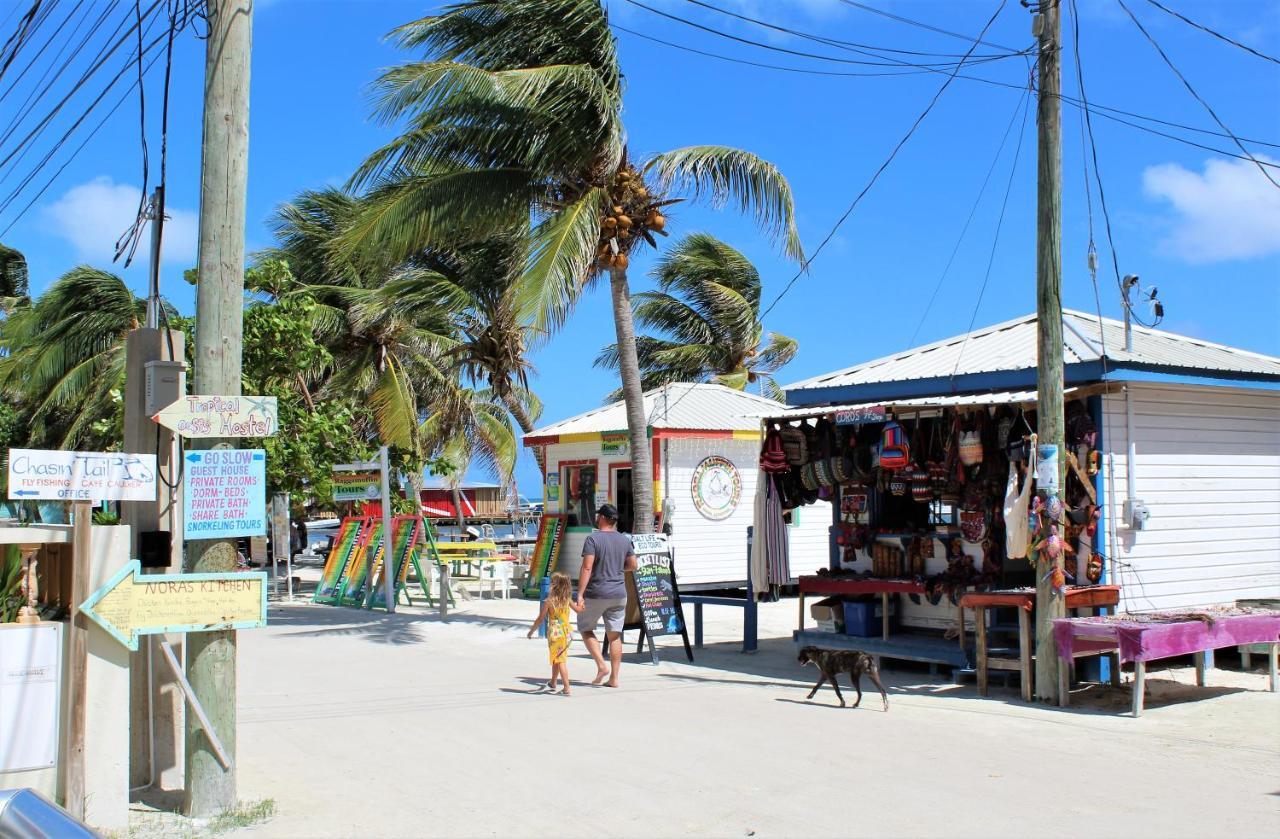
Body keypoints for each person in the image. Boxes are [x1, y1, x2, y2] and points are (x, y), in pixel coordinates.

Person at [575, 504, 636, 688]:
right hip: (618, 593)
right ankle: (614, 678)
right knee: (615, 636)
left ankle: (602, 666)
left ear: (602, 517)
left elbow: (587, 567)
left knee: (585, 629)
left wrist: (579, 593)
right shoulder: (624, 540)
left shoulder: (593, 539)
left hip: (597, 592)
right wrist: (618, 568)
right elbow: (633, 565)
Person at [527, 572, 581, 695]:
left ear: (555, 586)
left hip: (555, 634)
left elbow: (540, 619)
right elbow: (579, 610)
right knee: (558, 657)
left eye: (552, 583)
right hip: (567, 633)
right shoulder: (567, 599)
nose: (550, 585)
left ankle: (566, 687)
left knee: (560, 660)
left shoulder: (549, 601)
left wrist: (531, 631)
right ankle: (553, 682)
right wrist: (582, 604)